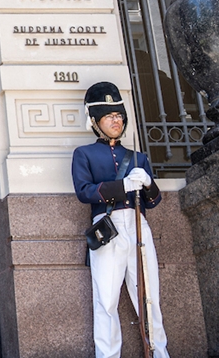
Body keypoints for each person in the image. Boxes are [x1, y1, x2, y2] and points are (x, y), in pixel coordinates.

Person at [72, 82, 170, 358]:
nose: (116, 121)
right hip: (108, 228)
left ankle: (159, 353)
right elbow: (84, 191)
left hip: (138, 225)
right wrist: (121, 186)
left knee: (149, 297)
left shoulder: (138, 157)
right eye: (109, 116)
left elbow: (153, 201)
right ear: (95, 121)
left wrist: (148, 183)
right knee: (106, 300)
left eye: (119, 116)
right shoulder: (84, 154)